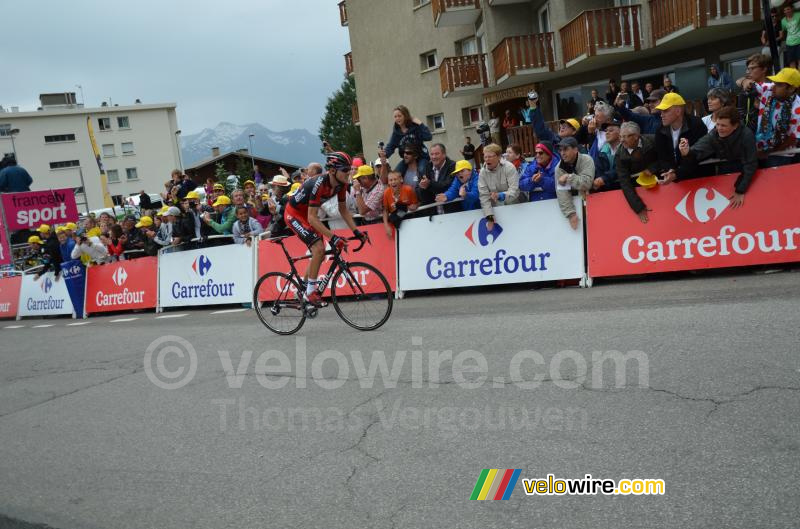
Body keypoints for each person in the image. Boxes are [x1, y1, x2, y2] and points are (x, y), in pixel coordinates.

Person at [283, 152, 366, 306]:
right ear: (333, 170)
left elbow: (343, 210)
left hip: (308, 215)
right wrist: (333, 237)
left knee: (319, 254)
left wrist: (356, 231)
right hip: (294, 214)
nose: (349, 174)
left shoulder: (341, 184)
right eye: (345, 170)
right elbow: (312, 218)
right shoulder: (319, 183)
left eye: (349, 170)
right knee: (319, 248)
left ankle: (302, 289)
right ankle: (309, 293)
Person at [678, 106, 757, 210]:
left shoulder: (746, 135)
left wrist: (740, 190)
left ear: (735, 126)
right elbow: (698, 148)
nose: (719, 128)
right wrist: (687, 152)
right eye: (718, 124)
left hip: (744, 168)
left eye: (723, 125)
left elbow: (750, 164)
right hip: (724, 167)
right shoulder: (714, 134)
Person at [741, 66, 800, 167]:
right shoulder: (769, 89)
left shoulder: (797, 109)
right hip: (758, 148)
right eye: (774, 82)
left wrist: (767, 152)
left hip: (780, 155)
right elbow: (742, 81)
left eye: (779, 84)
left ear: (791, 88)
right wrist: (746, 82)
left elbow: (793, 139)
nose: (773, 86)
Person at [653, 92, 707, 183]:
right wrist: (670, 171)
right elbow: (662, 157)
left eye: (665, 111)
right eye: (661, 111)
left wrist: (676, 174)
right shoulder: (660, 130)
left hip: (698, 179)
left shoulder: (696, 125)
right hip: (675, 181)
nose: (661, 115)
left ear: (678, 111)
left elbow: (697, 155)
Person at [615, 122, 659, 223]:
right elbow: (624, 183)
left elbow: (666, 159)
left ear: (636, 136)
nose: (621, 140)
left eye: (625, 137)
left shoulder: (653, 140)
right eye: (620, 136)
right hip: (641, 189)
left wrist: (653, 168)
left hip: (663, 183)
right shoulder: (619, 155)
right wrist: (638, 208)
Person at [381, 105, 432, 177]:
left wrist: (420, 123)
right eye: (395, 117)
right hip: (407, 159)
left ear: (405, 116)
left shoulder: (415, 127)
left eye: (399, 116)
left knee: (421, 170)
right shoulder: (396, 133)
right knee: (395, 175)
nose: (397, 118)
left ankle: (421, 188)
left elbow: (428, 137)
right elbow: (391, 146)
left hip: (421, 156)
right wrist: (384, 154)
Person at [555, 137, 595, 230]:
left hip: (595, 203)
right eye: (560, 150)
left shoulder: (587, 160)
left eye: (566, 149)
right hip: (576, 206)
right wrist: (571, 214)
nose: (562, 153)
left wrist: (569, 177)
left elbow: (587, 183)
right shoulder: (559, 168)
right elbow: (562, 193)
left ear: (575, 149)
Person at [478, 144, 519, 231]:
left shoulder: (509, 167)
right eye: (485, 157)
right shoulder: (482, 172)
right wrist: (489, 216)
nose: (487, 159)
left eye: (490, 156)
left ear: (499, 157)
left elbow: (515, 190)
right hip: (496, 212)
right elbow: (483, 196)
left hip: (514, 208)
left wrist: (500, 196)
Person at [736, 53, 772, 132]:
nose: (748, 72)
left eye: (752, 68)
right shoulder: (747, 89)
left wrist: (762, 107)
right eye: (748, 69)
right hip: (750, 135)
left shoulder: (775, 88)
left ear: (764, 69)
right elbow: (741, 116)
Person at [417, 143, 457, 212]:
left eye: (437, 154)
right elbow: (421, 194)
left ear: (444, 155)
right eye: (432, 154)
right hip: (434, 215)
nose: (434, 157)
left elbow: (447, 186)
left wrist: (429, 184)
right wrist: (422, 187)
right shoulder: (427, 167)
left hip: (452, 212)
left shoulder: (453, 166)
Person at [382, 170, 419, 237]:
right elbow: (385, 210)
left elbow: (416, 204)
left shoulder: (408, 190)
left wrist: (409, 207)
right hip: (394, 223)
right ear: (388, 182)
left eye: (395, 179)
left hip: (409, 220)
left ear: (401, 180)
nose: (393, 182)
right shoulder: (386, 193)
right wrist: (386, 226)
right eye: (390, 180)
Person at [594, 120, 622, 191]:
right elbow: (598, 171)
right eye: (606, 131)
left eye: (611, 130)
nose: (607, 133)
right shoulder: (601, 152)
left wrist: (604, 179)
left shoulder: (626, 149)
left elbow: (621, 169)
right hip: (606, 192)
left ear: (620, 133)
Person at [781, 4, 800, 69]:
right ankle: (794, 78)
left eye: (788, 9)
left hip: (799, 42)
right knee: (791, 62)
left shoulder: (798, 15)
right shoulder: (783, 21)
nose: (786, 11)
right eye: (785, 10)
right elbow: (783, 31)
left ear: (792, 9)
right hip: (789, 43)